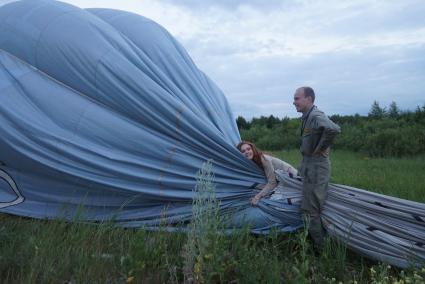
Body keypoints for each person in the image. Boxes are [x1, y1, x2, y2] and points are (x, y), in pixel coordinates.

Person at [293, 86, 341, 251]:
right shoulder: (307, 117)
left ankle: (322, 250)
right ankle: (318, 245)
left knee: (310, 210)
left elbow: (333, 129)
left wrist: (321, 147)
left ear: (309, 99)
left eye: (297, 98)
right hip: (309, 166)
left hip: (316, 167)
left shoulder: (315, 115)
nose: (294, 102)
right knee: (308, 207)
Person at [236, 141, 298, 206]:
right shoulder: (252, 162)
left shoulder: (263, 159)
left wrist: (257, 197)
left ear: (253, 149)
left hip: (292, 178)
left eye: (248, 149)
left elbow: (272, 182)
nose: (247, 152)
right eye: (243, 151)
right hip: (283, 180)